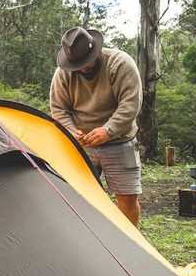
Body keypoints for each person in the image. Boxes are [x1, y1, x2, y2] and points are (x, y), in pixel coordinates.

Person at [49, 27, 143, 226]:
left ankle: (129, 247)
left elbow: (130, 104)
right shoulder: (63, 73)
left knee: (127, 198)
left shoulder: (120, 63)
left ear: (96, 51)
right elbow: (58, 109)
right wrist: (71, 131)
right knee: (80, 197)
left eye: (85, 62)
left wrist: (108, 131)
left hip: (119, 140)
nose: (82, 69)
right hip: (82, 144)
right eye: (77, 65)